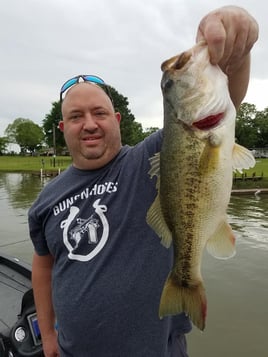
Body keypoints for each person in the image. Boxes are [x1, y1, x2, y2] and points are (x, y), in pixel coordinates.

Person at [28, 5, 258, 357]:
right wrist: (46, 335)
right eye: (76, 116)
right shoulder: (46, 198)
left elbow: (224, 102)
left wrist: (237, 46)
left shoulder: (147, 159)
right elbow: (43, 265)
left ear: (117, 119)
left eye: (100, 113)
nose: (89, 123)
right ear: (63, 129)